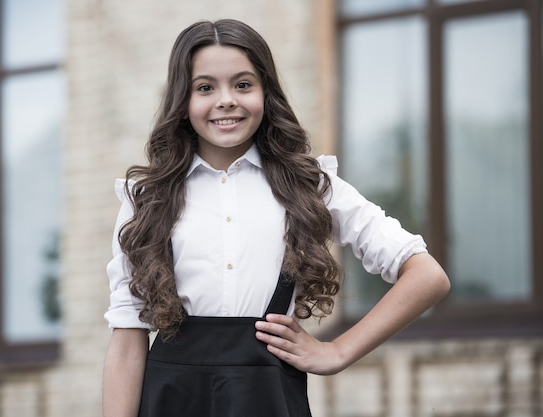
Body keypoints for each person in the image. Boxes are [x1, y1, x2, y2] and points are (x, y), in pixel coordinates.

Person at [102, 19, 450, 417]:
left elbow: (427, 276)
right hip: (170, 400)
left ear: (266, 93)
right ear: (182, 102)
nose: (226, 99)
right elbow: (127, 339)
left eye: (243, 84)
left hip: (268, 398)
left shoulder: (312, 186)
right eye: (205, 87)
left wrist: (338, 351)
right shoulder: (146, 199)